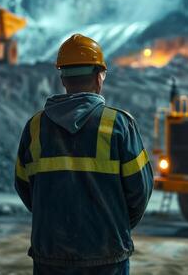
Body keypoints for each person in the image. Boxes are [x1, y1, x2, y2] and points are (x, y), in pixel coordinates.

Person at [14, 33, 153, 275]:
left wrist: (55, 221)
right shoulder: (118, 125)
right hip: (106, 256)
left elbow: (24, 186)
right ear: (100, 77)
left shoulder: (35, 127)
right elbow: (140, 190)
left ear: (63, 79)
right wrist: (113, 224)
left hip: (50, 256)